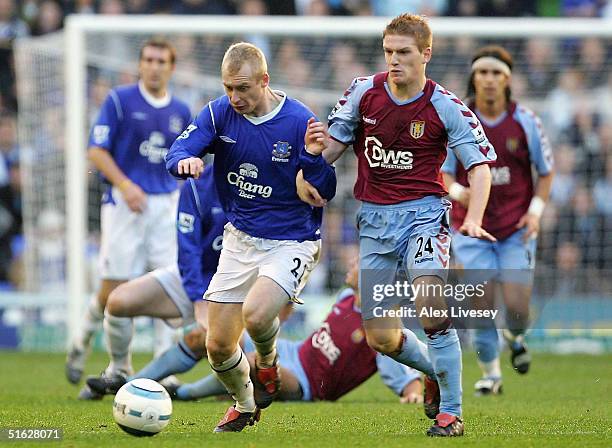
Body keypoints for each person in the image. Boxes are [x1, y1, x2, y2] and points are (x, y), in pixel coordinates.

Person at [297, 14, 497, 437]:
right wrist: (312, 161)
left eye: (403, 52)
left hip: (424, 216)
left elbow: (479, 168)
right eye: (389, 51)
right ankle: (433, 372)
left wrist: (474, 218)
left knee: (430, 303)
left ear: (426, 54)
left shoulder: (444, 105)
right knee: (382, 339)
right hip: (373, 220)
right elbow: (330, 149)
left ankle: (452, 414)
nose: (394, 60)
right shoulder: (363, 93)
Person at [165, 42, 337, 432]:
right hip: (240, 239)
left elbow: (324, 189)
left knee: (257, 315)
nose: (234, 97)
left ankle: (268, 360)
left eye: (243, 88)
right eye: (228, 87)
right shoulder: (218, 113)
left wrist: (311, 157)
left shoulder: (298, 120)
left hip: (292, 239)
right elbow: (177, 151)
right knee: (218, 345)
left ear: (265, 80)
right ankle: (244, 406)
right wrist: (185, 162)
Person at [86, 260, 424, 405]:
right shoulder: (349, 296)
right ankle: (130, 384)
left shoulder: (382, 323)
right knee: (207, 333)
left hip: (305, 381)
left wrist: (411, 389)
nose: (351, 265)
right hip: (293, 350)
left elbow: (397, 359)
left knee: (250, 361)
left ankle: (181, 394)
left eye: (358, 263)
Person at [65, 38, 192, 399]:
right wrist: (125, 184)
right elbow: (95, 150)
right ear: (140, 64)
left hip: (167, 207)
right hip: (124, 205)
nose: (154, 66)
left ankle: (162, 375)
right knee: (113, 293)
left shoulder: (182, 110)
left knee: (168, 290)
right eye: (148, 60)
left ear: (171, 67)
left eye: (161, 61)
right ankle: (84, 341)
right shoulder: (119, 101)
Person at [441, 46, 554, 396]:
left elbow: (546, 173)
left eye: (496, 74)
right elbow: (442, 174)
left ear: (507, 80)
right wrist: (461, 193)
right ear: (474, 79)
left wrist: (534, 213)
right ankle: (491, 375)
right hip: (471, 229)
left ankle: (515, 336)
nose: (489, 80)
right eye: (483, 73)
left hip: (515, 230)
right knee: (482, 303)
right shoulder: (457, 120)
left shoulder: (525, 122)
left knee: (518, 309)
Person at [85, 165, 226, 395]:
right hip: (198, 280)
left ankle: (174, 391)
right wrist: (199, 300)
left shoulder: (265, 184)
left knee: (225, 347)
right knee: (119, 301)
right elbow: (188, 250)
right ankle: (119, 371)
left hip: (236, 289)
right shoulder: (198, 185)